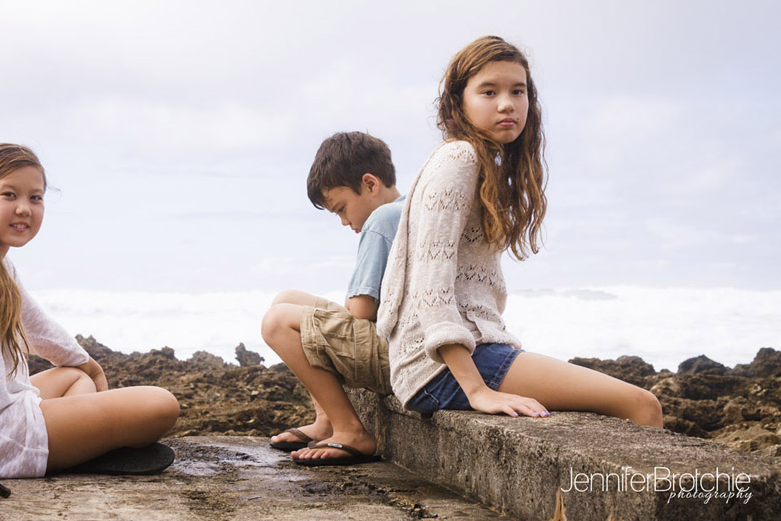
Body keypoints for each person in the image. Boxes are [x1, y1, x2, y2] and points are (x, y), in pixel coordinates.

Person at [377, 36, 663, 427]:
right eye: (489, 92)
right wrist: (478, 390)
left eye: (518, 91)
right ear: (459, 100)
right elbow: (432, 289)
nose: (507, 103)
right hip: (440, 369)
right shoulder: (460, 158)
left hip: (458, 356)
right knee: (642, 406)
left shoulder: (483, 162)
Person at [0, 143, 180, 478]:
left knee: (74, 376)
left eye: (35, 198)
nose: (24, 208)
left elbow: (36, 326)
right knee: (161, 405)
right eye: (9, 195)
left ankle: (75, 446)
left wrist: (89, 366)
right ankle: (72, 450)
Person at [261, 131, 404, 465]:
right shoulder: (408, 210)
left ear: (370, 184)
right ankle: (325, 419)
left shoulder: (382, 220)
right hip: (405, 344)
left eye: (341, 209)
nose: (344, 222)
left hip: (398, 354)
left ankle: (349, 429)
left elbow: (361, 310)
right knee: (288, 298)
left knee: (276, 323)